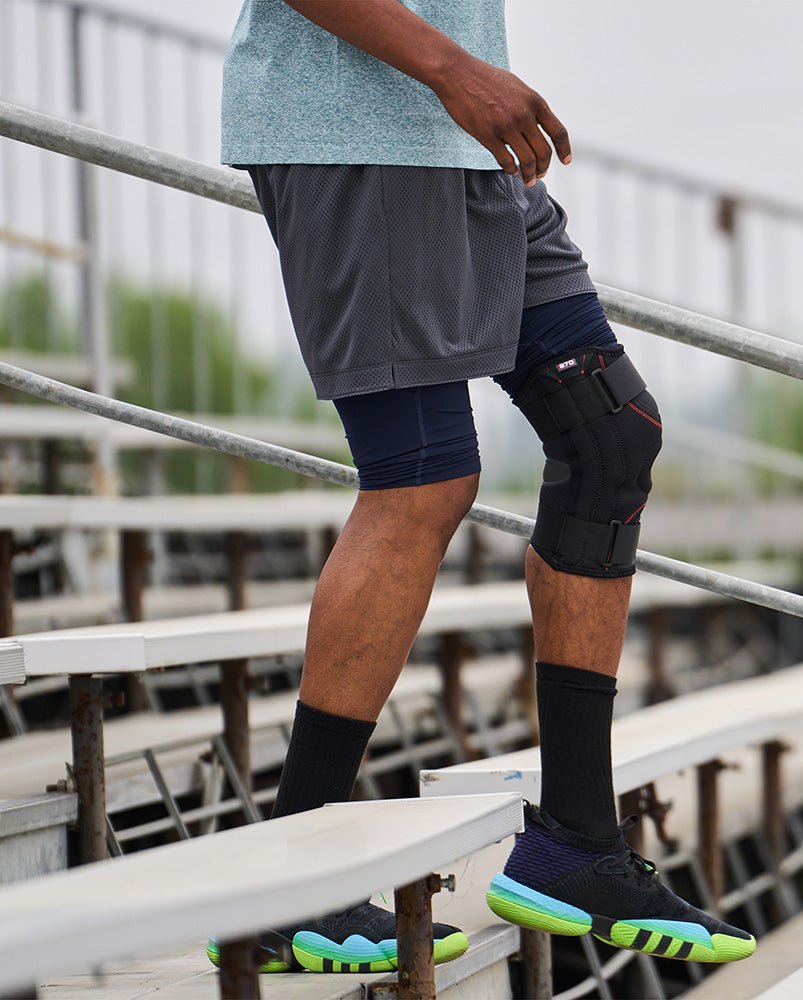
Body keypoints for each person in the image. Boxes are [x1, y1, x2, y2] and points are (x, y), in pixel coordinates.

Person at [212, 0, 756, 975]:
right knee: (421, 479)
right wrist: (452, 70)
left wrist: (460, 81)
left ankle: (575, 842)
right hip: (364, 138)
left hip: (459, 147)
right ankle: (295, 880)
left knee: (609, 438)